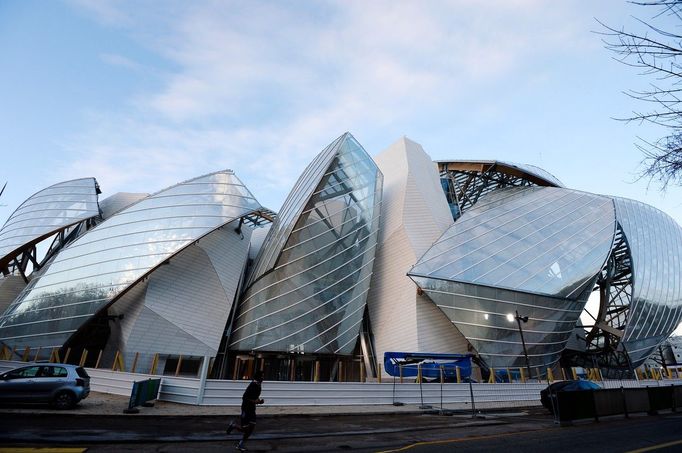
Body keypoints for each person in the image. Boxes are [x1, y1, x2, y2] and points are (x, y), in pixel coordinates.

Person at [226, 370, 265, 451]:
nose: (263, 378)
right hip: (246, 408)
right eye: (262, 376)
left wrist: (259, 401)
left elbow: (255, 397)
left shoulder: (258, 385)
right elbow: (244, 397)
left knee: (251, 427)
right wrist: (255, 401)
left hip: (252, 409)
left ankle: (241, 444)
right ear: (258, 377)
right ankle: (234, 426)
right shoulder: (252, 385)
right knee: (245, 428)